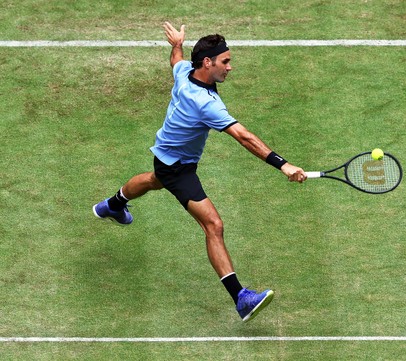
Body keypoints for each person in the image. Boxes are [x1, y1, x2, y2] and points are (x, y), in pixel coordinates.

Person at [93, 21, 307, 322]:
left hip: (164, 156)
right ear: (207, 62)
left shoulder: (185, 74)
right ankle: (241, 298)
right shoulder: (206, 104)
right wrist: (283, 164)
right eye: (225, 61)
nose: (230, 67)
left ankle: (113, 205)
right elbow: (244, 137)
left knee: (155, 180)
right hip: (178, 168)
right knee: (213, 225)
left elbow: (176, 62)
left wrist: (177, 45)